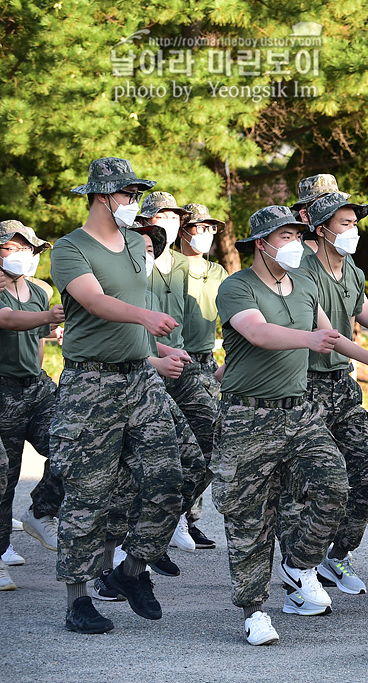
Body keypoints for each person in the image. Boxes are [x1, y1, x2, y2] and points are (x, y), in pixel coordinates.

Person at [213, 205, 368, 644]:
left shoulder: (303, 285)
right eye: (285, 238)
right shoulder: (236, 287)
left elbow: (332, 337)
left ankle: (299, 564)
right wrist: (307, 339)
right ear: (261, 244)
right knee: (250, 518)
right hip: (248, 415)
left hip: (298, 411)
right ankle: (253, 611)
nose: (294, 245)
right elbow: (259, 333)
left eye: (298, 237)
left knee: (336, 482)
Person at [50, 157, 185, 633]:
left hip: (140, 379)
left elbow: (134, 303)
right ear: (102, 197)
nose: (134, 203)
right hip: (92, 384)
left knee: (172, 478)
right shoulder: (69, 249)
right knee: (89, 493)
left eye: (135, 194)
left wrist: (155, 343)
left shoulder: (133, 242)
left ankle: (131, 570)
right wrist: (144, 318)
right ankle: (78, 598)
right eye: (127, 194)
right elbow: (94, 301)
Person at [301, 191, 368, 595]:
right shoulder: (302, 273)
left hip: (343, 387)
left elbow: (366, 315)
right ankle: (300, 566)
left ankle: (336, 555)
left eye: (355, 223)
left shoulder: (352, 270)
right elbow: (328, 334)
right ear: (321, 230)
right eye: (344, 224)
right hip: (306, 386)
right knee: (317, 481)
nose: (352, 231)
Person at [137, 192, 205, 556]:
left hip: (180, 359)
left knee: (208, 437)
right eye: (162, 217)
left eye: (176, 218)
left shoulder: (182, 264)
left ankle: (177, 513)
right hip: (143, 361)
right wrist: (155, 356)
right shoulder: (131, 260)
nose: (170, 223)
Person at [0, 221, 65, 589]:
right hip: (2, 391)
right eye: (12, 248)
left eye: (28, 249)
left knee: (71, 447)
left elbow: (39, 343)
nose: (21, 255)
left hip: (34, 388)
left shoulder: (40, 290)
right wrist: (48, 318)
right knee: (3, 477)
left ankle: (41, 512)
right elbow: (7, 320)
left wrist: (38, 376)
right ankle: (1, 551)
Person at [178, 202, 230, 549]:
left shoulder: (218, 273)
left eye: (211, 228)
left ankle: (184, 516)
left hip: (204, 361)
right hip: (170, 360)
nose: (206, 234)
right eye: (199, 227)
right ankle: (168, 516)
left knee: (210, 443)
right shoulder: (165, 267)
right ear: (183, 231)